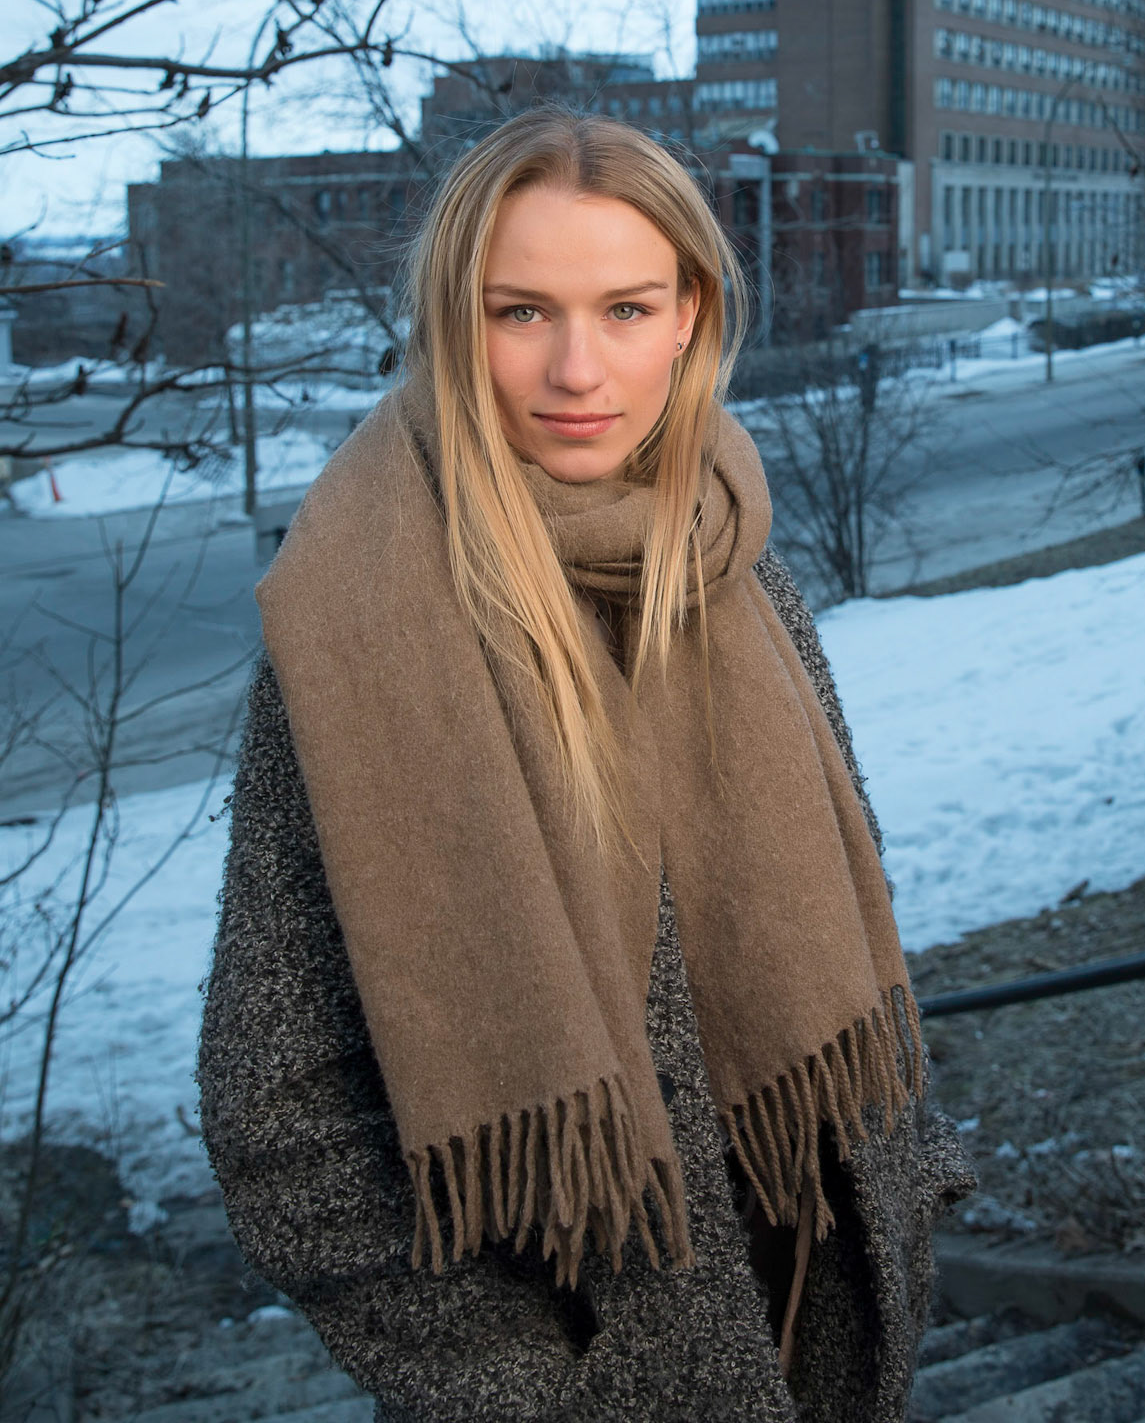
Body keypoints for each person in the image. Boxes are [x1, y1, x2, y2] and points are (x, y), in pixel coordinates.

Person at [198, 111, 972, 1423]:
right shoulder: (357, 622)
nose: (575, 369)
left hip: (824, 1313)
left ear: (690, 317)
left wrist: (907, 1181)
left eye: (623, 307)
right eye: (520, 313)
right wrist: (536, 1390)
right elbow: (279, 1117)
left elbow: (846, 897)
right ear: (457, 324)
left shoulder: (737, 557)